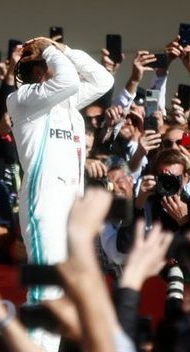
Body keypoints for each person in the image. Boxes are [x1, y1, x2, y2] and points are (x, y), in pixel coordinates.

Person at [6, 36, 113, 309]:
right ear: (40, 75)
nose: (60, 65)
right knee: (45, 294)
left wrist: (66, 50)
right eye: (49, 65)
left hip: (70, 207)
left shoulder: (66, 104)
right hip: (44, 204)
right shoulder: (22, 99)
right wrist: (51, 49)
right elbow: (69, 81)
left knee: (59, 299)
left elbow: (104, 80)